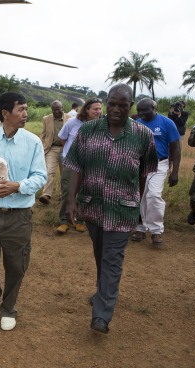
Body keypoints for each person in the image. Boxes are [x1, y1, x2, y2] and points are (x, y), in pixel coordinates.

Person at [64, 84, 158, 334]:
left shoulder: (142, 135)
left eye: (123, 105)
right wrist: (71, 199)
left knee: (112, 258)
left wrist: (137, 203)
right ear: (106, 103)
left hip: (122, 208)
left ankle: (102, 315)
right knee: (100, 254)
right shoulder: (89, 130)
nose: (116, 109)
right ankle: (101, 292)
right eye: (112, 104)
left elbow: (143, 173)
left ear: (131, 106)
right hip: (92, 205)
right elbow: (76, 166)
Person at [0, 92, 47, 331]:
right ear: (5, 113)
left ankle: (9, 307)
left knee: (16, 265)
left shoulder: (33, 141)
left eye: (26, 109)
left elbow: (40, 176)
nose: (26, 113)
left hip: (19, 216)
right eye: (21, 109)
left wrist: (18, 186)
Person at [130, 98, 181, 246]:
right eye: (138, 110)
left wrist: (175, 172)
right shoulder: (137, 123)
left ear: (154, 108)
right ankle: (140, 227)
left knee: (153, 194)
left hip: (160, 164)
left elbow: (176, 148)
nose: (140, 113)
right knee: (140, 195)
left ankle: (156, 230)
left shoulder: (167, 123)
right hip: (140, 164)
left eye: (144, 110)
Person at [56, 98, 103, 234]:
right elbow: (62, 139)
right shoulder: (72, 122)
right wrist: (71, 154)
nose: (98, 111)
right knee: (68, 191)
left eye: (100, 109)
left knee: (85, 192)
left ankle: (80, 220)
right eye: (95, 109)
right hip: (71, 164)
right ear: (86, 109)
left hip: (90, 165)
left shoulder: (101, 124)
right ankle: (64, 221)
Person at [39, 100, 70, 205]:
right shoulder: (46, 119)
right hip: (52, 148)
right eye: (54, 110)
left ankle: (64, 195)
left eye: (58, 109)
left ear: (62, 108)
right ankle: (46, 195)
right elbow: (43, 134)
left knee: (64, 174)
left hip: (65, 149)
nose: (56, 111)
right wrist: (42, 145)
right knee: (49, 171)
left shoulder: (70, 119)